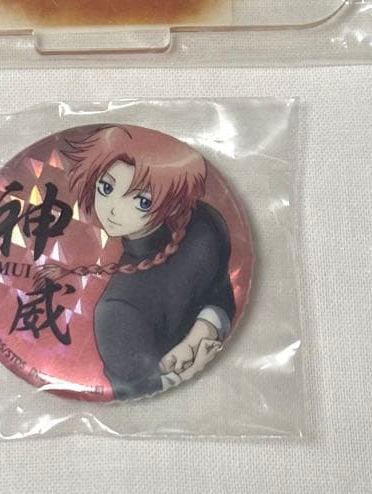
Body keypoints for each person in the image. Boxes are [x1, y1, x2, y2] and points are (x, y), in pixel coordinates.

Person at [37, 124, 235, 400]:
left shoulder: (117, 310)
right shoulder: (207, 221)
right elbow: (221, 296)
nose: (113, 209)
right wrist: (203, 334)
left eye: (142, 201)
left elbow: (142, 390)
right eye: (106, 187)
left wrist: (197, 339)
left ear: (174, 201)